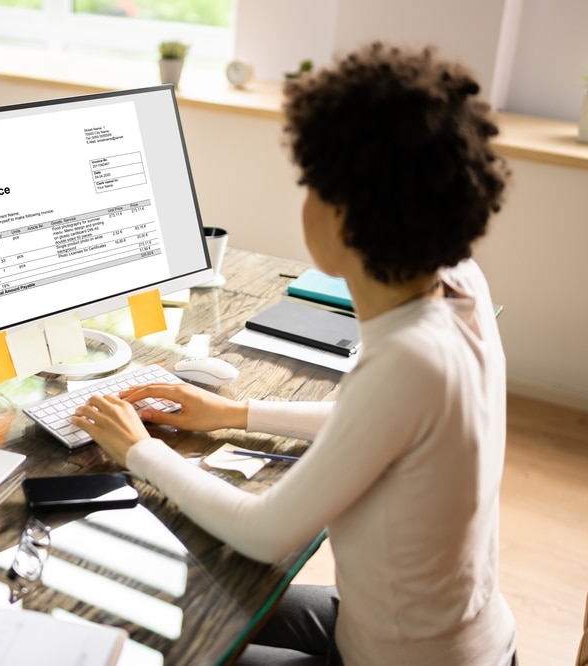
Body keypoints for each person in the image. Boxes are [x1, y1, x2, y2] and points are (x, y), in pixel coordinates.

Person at [71, 42, 516, 666]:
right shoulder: (458, 281)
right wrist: (234, 413)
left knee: (157, 640)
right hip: (439, 634)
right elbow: (384, 428)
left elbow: (265, 532)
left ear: (342, 216)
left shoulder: (410, 359)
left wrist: (138, 451)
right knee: (167, 593)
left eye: (310, 186)